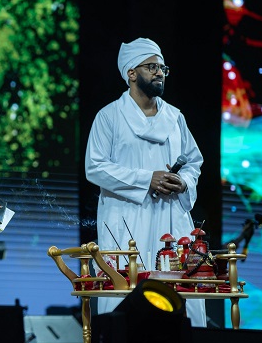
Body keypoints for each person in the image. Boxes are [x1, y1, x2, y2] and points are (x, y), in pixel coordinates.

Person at [85, 37, 206, 327]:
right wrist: (146, 179)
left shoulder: (175, 117)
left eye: (163, 68)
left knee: (181, 296)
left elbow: (193, 161)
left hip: (172, 219)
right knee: (126, 296)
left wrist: (184, 182)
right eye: (151, 67)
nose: (159, 73)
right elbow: (95, 167)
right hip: (127, 219)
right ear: (131, 73)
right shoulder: (109, 117)